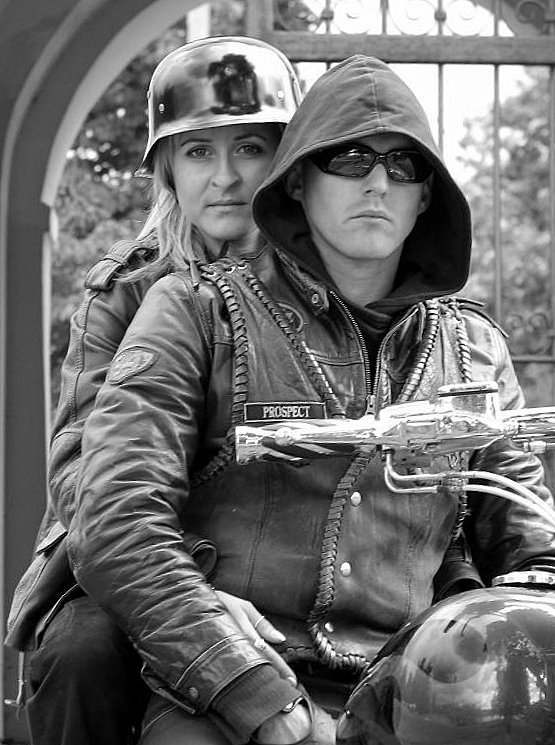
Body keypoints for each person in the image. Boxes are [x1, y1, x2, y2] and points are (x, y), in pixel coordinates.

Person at [64, 53, 555, 745]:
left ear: (427, 195)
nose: (378, 183)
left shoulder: (472, 347)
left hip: (416, 686)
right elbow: (114, 512)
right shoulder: (193, 308)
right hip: (229, 681)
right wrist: (259, 697)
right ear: (298, 179)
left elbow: (528, 541)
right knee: (78, 652)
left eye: (404, 166)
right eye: (349, 159)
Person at [5, 35, 302, 745]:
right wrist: (191, 584)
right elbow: (81, 476)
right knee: (82, 652)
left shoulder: (323, 287)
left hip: (283, 551)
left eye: (250, 148)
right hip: (134, 557)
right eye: (198, 151)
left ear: (286, 161)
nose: (225, 177)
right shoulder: (123, 291)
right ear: (167, 167)